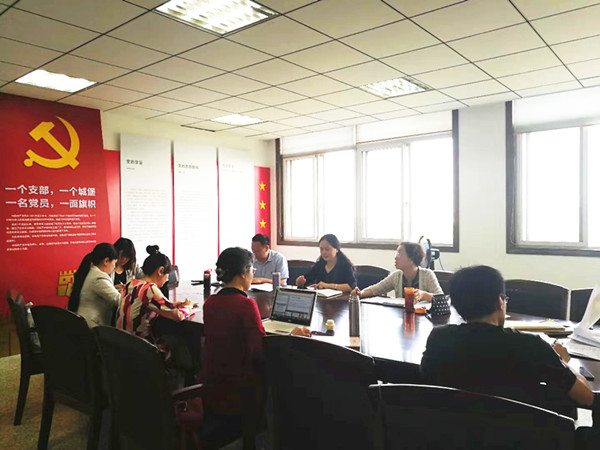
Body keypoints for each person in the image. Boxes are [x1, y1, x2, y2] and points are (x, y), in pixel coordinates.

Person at [420, 265, 594, 413]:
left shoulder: (439, 339)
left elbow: (426, 379)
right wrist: (561, 361)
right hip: (521, 435)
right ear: (500, 302)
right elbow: (586, 397)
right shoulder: (532, 346)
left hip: (455, 432)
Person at [203, 247, 310, 415]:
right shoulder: (246, 305)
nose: (253, 275)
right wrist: (291, 336)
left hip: (214, 377)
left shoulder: (210, 302)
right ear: (243, 273)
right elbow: (260, 351)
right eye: (252, 270)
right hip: (242, 382)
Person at [115, 245, 193, 340]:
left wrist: (171, 305)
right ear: (161, 271)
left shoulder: (130, 283)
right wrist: (188, 306)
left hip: (120, 341)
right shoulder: (150, 289)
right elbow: (178, 315)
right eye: (167, 275)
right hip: (138, 344)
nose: (166, 280)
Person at [352, 241, 442, 301]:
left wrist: (424, 295)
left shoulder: (427, 275)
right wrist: (360, 293)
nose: (395, 257)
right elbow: (376, 289)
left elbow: (441, 299)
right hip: (403, 317)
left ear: (411, 259)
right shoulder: (396, 276)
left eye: (400, 254)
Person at [68, 242, 121, 328]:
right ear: (106, 261)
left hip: (82, 321)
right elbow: (117, 300)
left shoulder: (90, 271)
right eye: (114, 263)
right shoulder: (99, 277)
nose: (114, 266)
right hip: (92, 325)